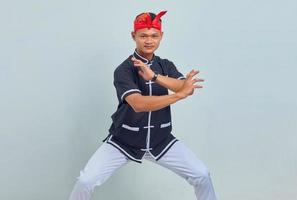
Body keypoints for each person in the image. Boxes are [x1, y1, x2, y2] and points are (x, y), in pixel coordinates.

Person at [69, 11, 218, 200]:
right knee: (86, 181)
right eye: (143, 36)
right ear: (134, 36)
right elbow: (138, 104)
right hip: (124, 140)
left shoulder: (165, 65)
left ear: (161, 36)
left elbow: (185, 87)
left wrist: (155, 77)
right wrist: (178, 95)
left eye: (154, 35)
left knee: (202, 175)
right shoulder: (123, 70)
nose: (149, 40)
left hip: (160, 140)